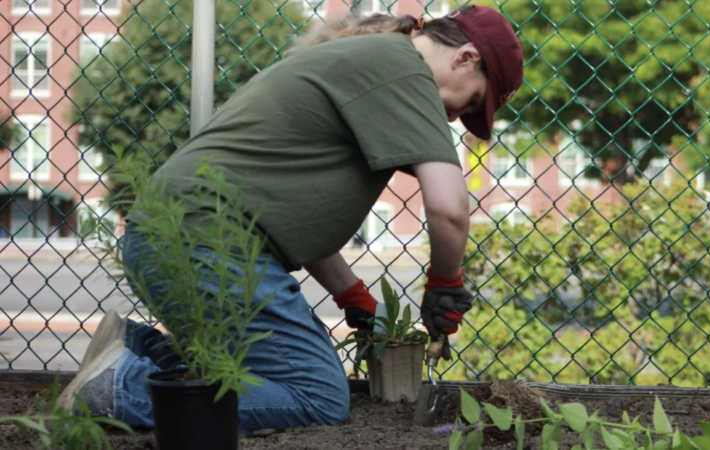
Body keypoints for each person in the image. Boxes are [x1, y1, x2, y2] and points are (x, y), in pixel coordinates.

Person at [56, 5, 523, 434]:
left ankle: (134, 350)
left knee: (272, 370)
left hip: (182, 236)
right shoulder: (405, 69)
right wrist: (444, 284)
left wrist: (352, 295)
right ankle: (119, 390)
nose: (456, 117)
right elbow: (449, 206)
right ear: (464, 57)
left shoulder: (376, 63)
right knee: (317, 394)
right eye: (470, 102)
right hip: (209, 241)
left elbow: (289, 206)